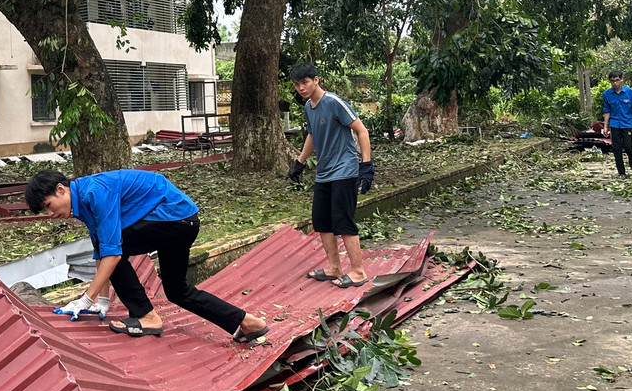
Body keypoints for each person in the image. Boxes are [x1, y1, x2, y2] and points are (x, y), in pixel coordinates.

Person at [25, 168, 269, 343]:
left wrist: (85, 300)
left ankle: (146, 316)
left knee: (115, 251)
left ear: (61, 190)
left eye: (48, 206)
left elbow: (111, 254)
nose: (49, 214)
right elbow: (101, 252)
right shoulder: (82, 203)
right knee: (177, 291)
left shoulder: (93, 192)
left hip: (173, 218)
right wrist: (101, 301)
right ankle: (247, 322)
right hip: (182, 222)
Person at [286, 63, 375, 288]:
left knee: (342, 221)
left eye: (305, 82)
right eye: (297, 84)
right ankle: (334, 267)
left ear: (316, 80)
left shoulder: (334, 102)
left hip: (345, 170)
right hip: (324, 173)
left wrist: (366, 165)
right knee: (322, 221)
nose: (301, 88)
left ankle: (358, 272)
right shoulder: (309, 106)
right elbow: (312, 135)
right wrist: (299, 163)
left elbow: (361, 130)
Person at [601, 70, 632, 177]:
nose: (615, 83)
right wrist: (605, 127)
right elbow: (607, 111)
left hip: (627, 123)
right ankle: (622, 173)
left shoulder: (630, 92)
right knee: (617, 149)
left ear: (621, 79)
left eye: (617, 80)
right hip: (615, 124)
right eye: (612, 81)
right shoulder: (607, 94)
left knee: (628, 147)